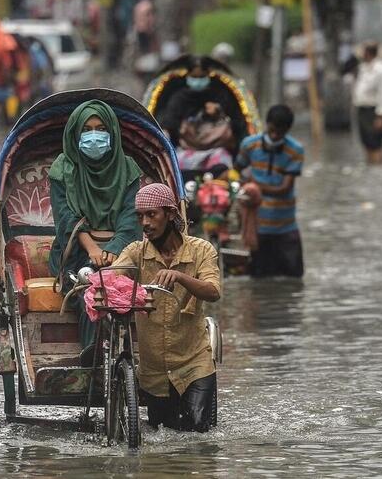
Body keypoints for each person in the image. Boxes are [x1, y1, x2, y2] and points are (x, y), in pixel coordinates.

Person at [113, 183, 220, 432]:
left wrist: (181, 277)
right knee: (163, 432)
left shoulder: (202, 250)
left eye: (152, 214)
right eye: (140, 216)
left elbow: (213, 291)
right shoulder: (135, 253)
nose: (145, 223)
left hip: (194, 362)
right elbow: (114, 277)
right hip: (155, 372)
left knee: (197, 430)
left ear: (170, 214)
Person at [48, 100, 142, 349]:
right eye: (87, 130)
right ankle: (93, 351)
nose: (94, 136)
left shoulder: (128, 169)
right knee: (89, 291)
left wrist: (116, 248)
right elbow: (65, 216)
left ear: (112, 132)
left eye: (101, 129)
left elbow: (131, 215)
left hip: (123, 251)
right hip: (76, 253)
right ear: (76, 134)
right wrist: (92, 249)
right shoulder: (63, 169)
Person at [234, 104, 304, 278]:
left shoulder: (295, 150)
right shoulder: (249, 145)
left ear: (287, 130)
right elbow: (237, 171)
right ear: (266, 124)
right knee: (259, 278)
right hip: (258, 226)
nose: (274, 136)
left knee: (293, 278)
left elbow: (284, 188)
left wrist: (254, 184)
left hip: (285, 225)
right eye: (272, 130)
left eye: (279, 133)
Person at [160, 56, 242, 147]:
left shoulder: (220, 95)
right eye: (194, 77)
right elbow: (169, 123)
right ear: (188, 75)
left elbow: (237, 124)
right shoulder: (179, 98)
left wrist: (219, 112)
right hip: (185, 148)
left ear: (208, 74)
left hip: (218, 148)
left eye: (202, 77)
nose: (198, 81)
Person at [352, 41, 382, 164]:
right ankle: (370, 165)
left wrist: (381, 116)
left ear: (368, 52)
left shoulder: (381, 69)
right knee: (366, 141)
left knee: (376, 143)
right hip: (362, 108)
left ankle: (379, 167)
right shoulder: (364, 67)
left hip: (374, 111)